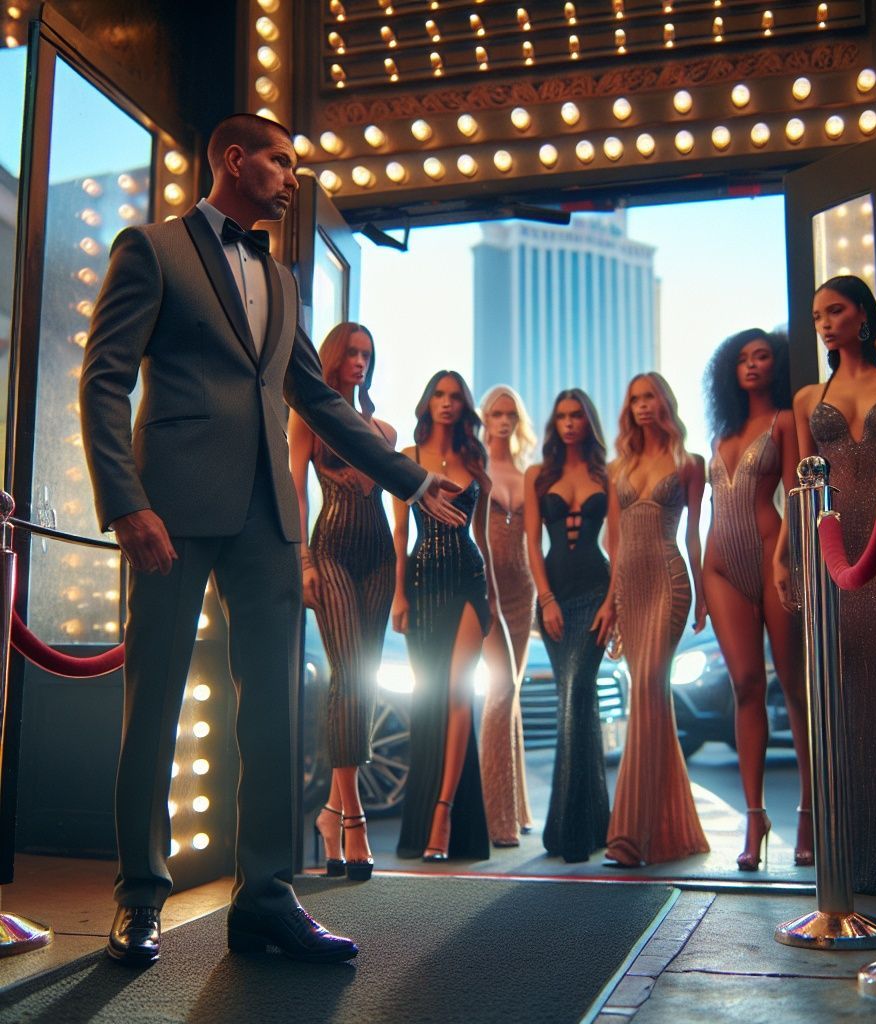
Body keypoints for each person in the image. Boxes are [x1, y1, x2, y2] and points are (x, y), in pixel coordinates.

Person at [79, 113, 462, 967]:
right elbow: (103, 380)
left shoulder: (284, 277)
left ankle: (267, 898)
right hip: (170, 510)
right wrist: (125, 500)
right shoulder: (151, 248)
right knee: (156, 705)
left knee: (278, 709)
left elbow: (319, 403)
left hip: (270, 520)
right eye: (281, 160)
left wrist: (410, 478)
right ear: (232, 158)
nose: (292, 177)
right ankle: (140, 895)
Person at [783, 275, 876, 896]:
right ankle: (853, 854)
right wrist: (787, 553)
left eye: (835, 310)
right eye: (816, 316)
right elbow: (805, 484)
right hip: (830, 549)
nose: (825, 323)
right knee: (844, 697)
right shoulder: (812, 396)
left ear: (862, 314)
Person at [289, 322, 396, 881]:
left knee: (366, 680)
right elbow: (295, 492)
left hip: (378, 555)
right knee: (348, 675)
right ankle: (352, 815)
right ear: (332, 359)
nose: (359, 362)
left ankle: (331, 814)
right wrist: (302, 561)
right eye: (352, 353)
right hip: (329, 553)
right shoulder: (308, 419)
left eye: (367, 355)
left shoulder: (384, 430)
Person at [703, 331, 812, 871]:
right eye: (742, 359)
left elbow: (796, 494)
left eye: (761, 356)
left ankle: (812, 810)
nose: (751, 365)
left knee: (793, 686)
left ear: (777, 364)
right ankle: (754, 817)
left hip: (774, 556)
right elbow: (710, 514)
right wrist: (703, 575)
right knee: (745, 685)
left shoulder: (787, 421)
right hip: (721, 567)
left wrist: (784, 558)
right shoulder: (722, 433)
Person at [605, 373, 710, 867]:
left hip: (670, 581)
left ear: (665, 402)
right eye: (635, 399)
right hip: (629, 585)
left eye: (650, 397)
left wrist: (704, 595)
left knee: (648, 686)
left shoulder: (690, 464)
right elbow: (613, 541)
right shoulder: (617, 466)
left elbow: (693, 536)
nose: (643, 406)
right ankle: (670, 831)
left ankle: (629, 834)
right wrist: (610, 602)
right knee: (650, 699)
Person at [393, 371, 493, 862]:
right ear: (427, 401)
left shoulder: (476, 459)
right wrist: (398, 596)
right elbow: (398, 534)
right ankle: (427, 811)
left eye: (455, 396)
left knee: (458, 692)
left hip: (469, 579)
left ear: (464, 406)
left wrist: (490, 593)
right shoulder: (406, 461)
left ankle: (444, 809)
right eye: (439, 394)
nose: (447, 403)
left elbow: (486, 537)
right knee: (428, 701)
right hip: (422, 582)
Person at [524, 389, 617, 863]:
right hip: (555, 597)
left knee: (578, 693)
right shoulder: (538, 476)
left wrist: (612, 602)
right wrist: (546, 600)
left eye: (576, 414)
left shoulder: (607, 474)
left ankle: (572, 829)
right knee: (573, 700)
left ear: (588, 420)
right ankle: (585, 823)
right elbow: (532, 546)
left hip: (596, 593)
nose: (568, 422)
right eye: (561, 415)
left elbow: (616, 545)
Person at [477, 384, 536, 845]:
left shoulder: (526, 473)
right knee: (500, 691)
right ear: (484, 417)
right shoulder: (476, 468)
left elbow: (536, 541)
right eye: (496, 413)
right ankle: (494, 815)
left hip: (525, 590)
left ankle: (515, 805)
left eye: (510, 415)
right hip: (488, 587)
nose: (503, 421)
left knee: (511, 693)